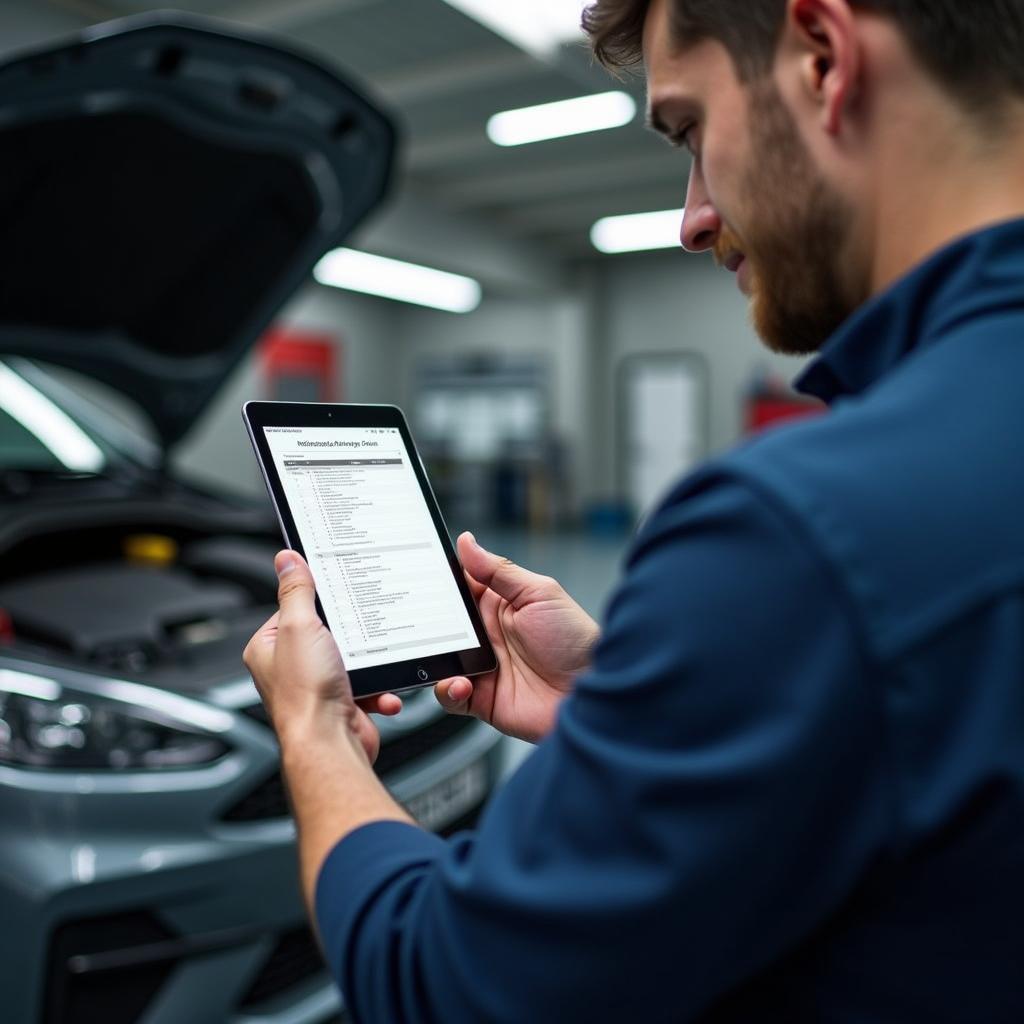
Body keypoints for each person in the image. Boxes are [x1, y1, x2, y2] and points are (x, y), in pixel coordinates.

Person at [243, 0, 1024, 1019]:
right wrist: (637, 698)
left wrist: (312, 733)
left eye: (692, 130)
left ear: (823, 58)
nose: (692, 215)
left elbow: (446, 985)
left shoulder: (800, 529)